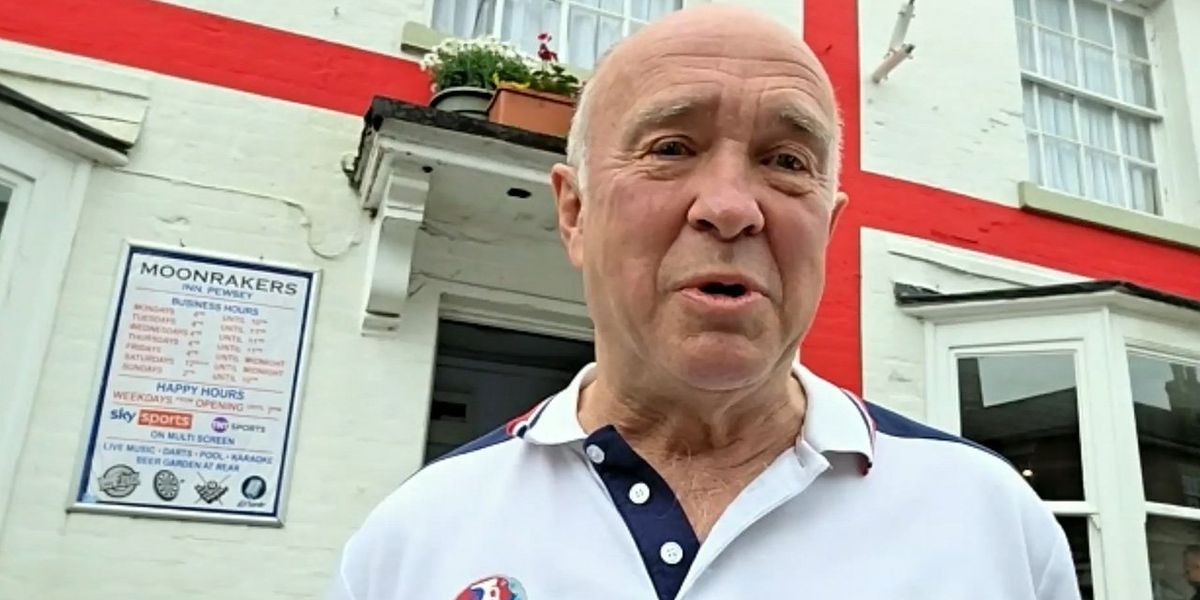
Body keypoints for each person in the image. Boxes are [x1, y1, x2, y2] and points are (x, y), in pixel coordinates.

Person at [327, 5, 1081, 599]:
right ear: (575, 213)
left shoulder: (992, 522)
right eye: (670, 148)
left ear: (828, 226)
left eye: (786, 162)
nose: (730, 207)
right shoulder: (412, 540)